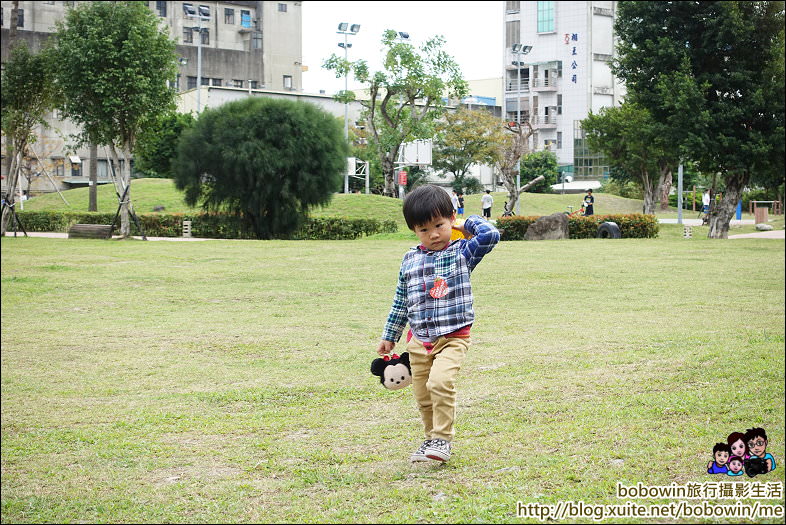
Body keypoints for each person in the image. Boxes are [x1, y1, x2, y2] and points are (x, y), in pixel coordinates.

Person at [376, 184, 500, 463]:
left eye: (439, 225)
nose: (433, 234)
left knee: (441, 382)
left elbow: (491, 235)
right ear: (414, 230)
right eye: (424, 229)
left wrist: (464, 222)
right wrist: (390, 335)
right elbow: (401, 301)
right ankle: (431, 438)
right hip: (419, 340)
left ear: (450, 219)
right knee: (422, 394)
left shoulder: (462, 252)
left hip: (453, 337)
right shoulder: (409, 259)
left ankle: (443, 440)